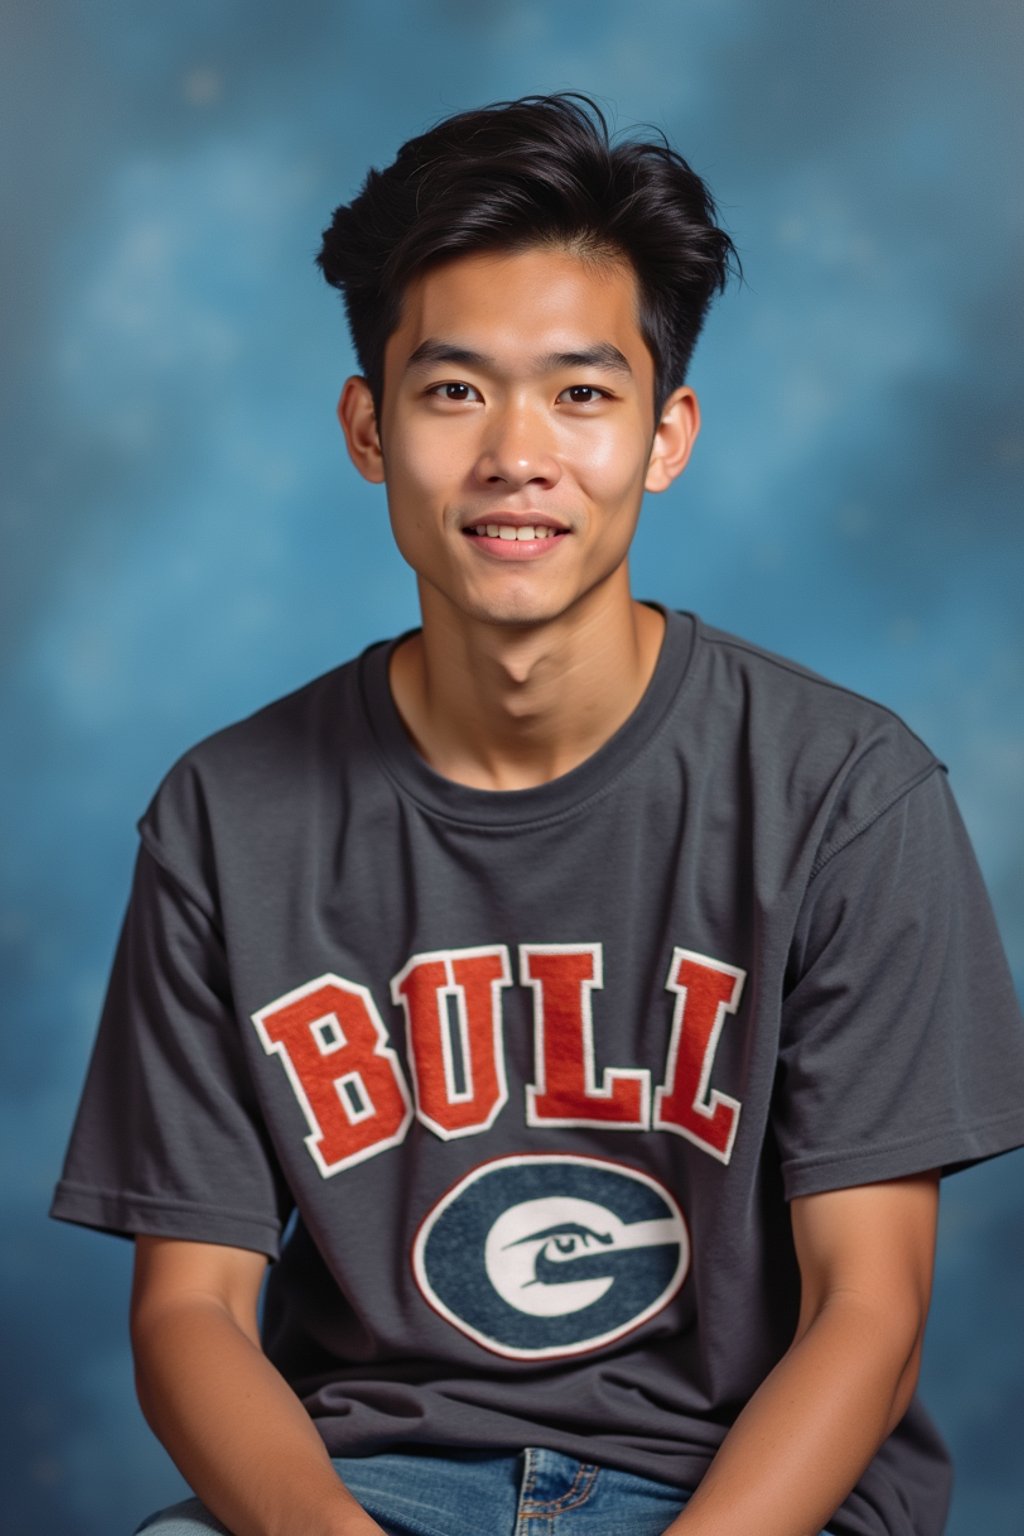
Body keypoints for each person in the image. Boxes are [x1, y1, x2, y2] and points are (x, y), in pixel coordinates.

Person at [52, 93, 1024, 1536]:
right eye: (455, 392)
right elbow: (188, 1311)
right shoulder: (225, 818)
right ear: (369, 428)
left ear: (665, 433)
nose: (519, 453)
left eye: (582, 392)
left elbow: (867, 1317)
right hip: (365, 1488)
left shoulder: (845, 795)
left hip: (742, 1496)